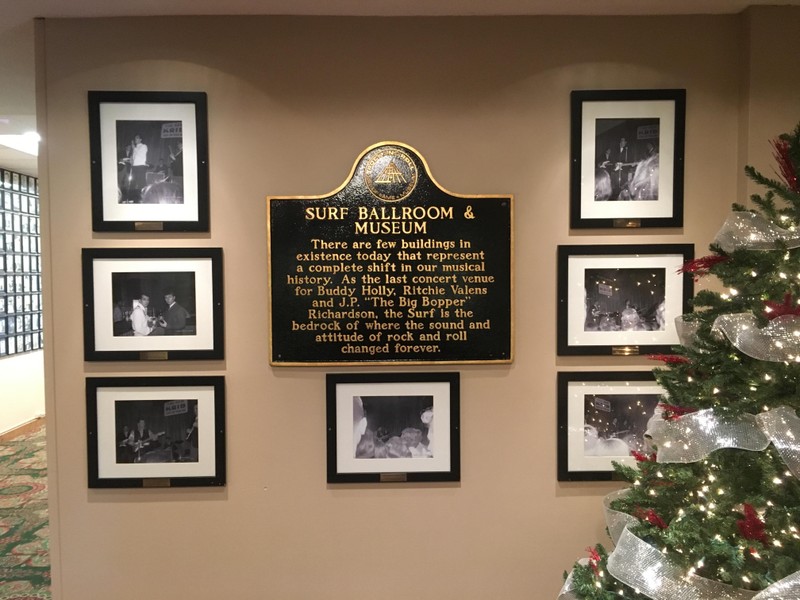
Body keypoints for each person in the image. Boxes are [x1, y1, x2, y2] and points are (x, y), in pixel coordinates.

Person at [129, 134, 149, 200]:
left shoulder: (144, 146)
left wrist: (134, 148)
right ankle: (131, 197)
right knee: (133, 182)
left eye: (137, 138)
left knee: (141, 182)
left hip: (141, 166)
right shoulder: (135, 148)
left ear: (141, 139)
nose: (135, 140)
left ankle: (144, 197)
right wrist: (131, 160)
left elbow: (140, 154)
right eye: (135, 138)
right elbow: (134, 158)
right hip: (134, 167)